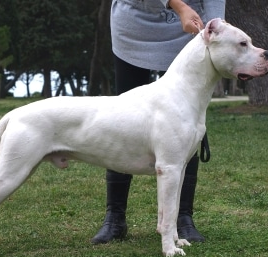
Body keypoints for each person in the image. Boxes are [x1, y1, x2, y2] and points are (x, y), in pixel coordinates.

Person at [91, 0, 226, 244]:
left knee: (183, 124)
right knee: (120, 122)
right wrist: (178, 5)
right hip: (135, 25)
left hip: (187, 28)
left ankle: (183, 218)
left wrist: (218, 26)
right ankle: (115, 217)